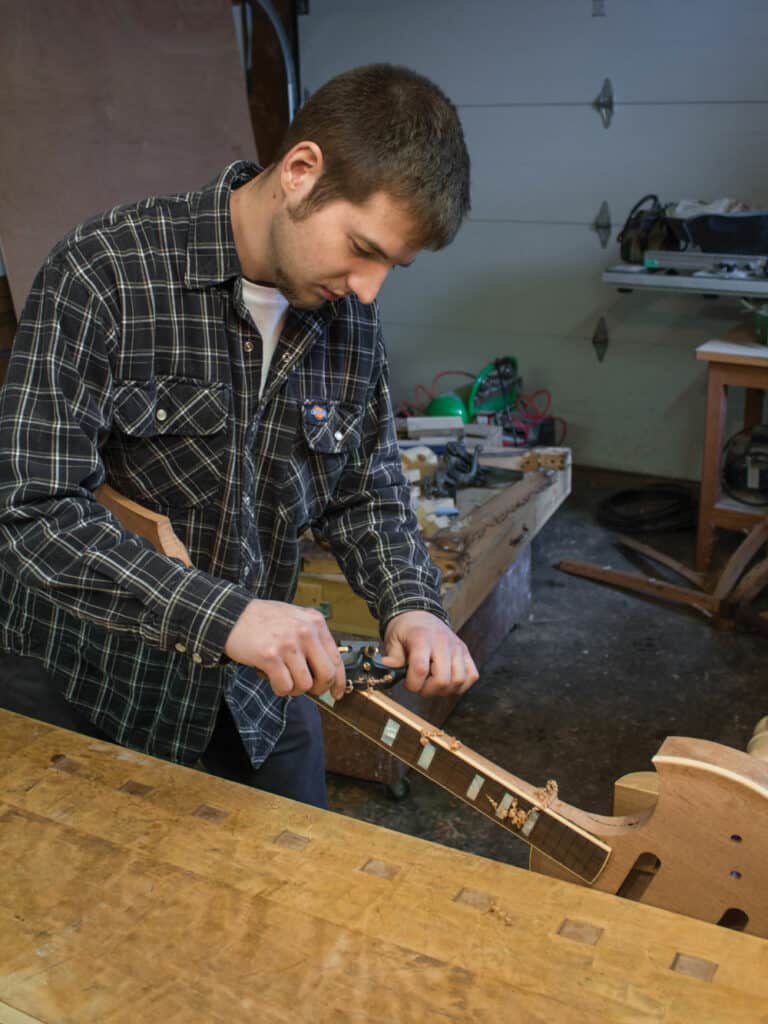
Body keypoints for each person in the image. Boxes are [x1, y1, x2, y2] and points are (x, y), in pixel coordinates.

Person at [0, 63, 477, 808]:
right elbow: (35, 512)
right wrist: (223, 616)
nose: (369, 288)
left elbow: (366, 496)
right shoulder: (105, 273)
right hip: (88, 688)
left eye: (393, 265)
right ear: (300, 171)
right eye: (363, 247)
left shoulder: (348, 322)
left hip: (256, 699)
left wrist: (411, 603)